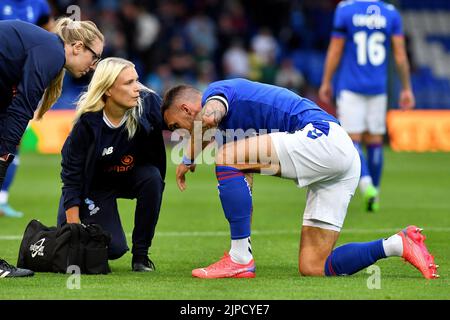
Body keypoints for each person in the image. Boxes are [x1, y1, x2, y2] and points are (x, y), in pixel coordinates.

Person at [161, 78, 438, 279]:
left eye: (176, 125)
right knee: (314, 266)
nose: (179, 131)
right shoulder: (227, 118)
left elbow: (210, 116)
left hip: (321, 137)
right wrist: (190, 158)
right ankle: (398, 244)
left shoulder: (215, 92)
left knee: (226, 158)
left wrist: (189, 154)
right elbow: (213, 132)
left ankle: (239, 258)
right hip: (342, 156)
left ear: (186, 109)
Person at [0, 17, 104, 277]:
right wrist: (5, 152)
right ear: (78, 47)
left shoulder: (46, 48)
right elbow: (23, 104)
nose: (94, 67)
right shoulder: (51, 52)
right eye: (95, 57)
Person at [57, 57, 166, 272]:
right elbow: (71, 176)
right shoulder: (87, 124)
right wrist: (74, 224)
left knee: (152, 177)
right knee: (112, 249)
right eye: (128, 83)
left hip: (129, 176)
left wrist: (193, 150)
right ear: (107, 89)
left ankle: (141, 258)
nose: (137, 88)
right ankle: (59, 235)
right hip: (93, 189)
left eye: (137, 81)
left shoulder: (147, 103)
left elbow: (176, 118)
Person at [319, 0, 415, 212]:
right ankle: (376, 193)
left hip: (350, 85)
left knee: (352, 139)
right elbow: (400, 54)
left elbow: (335, 50)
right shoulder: (390, 13)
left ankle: (366, 185)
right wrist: (406, 88)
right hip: (378, 87)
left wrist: (326, 80)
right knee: (375, 140)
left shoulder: (346, 9)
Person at [0, 0, 55, 218]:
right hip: (4, 74)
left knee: (14, 140)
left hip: (23, 78)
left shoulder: (39, 5)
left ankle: (2, 199)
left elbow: (49, 29)